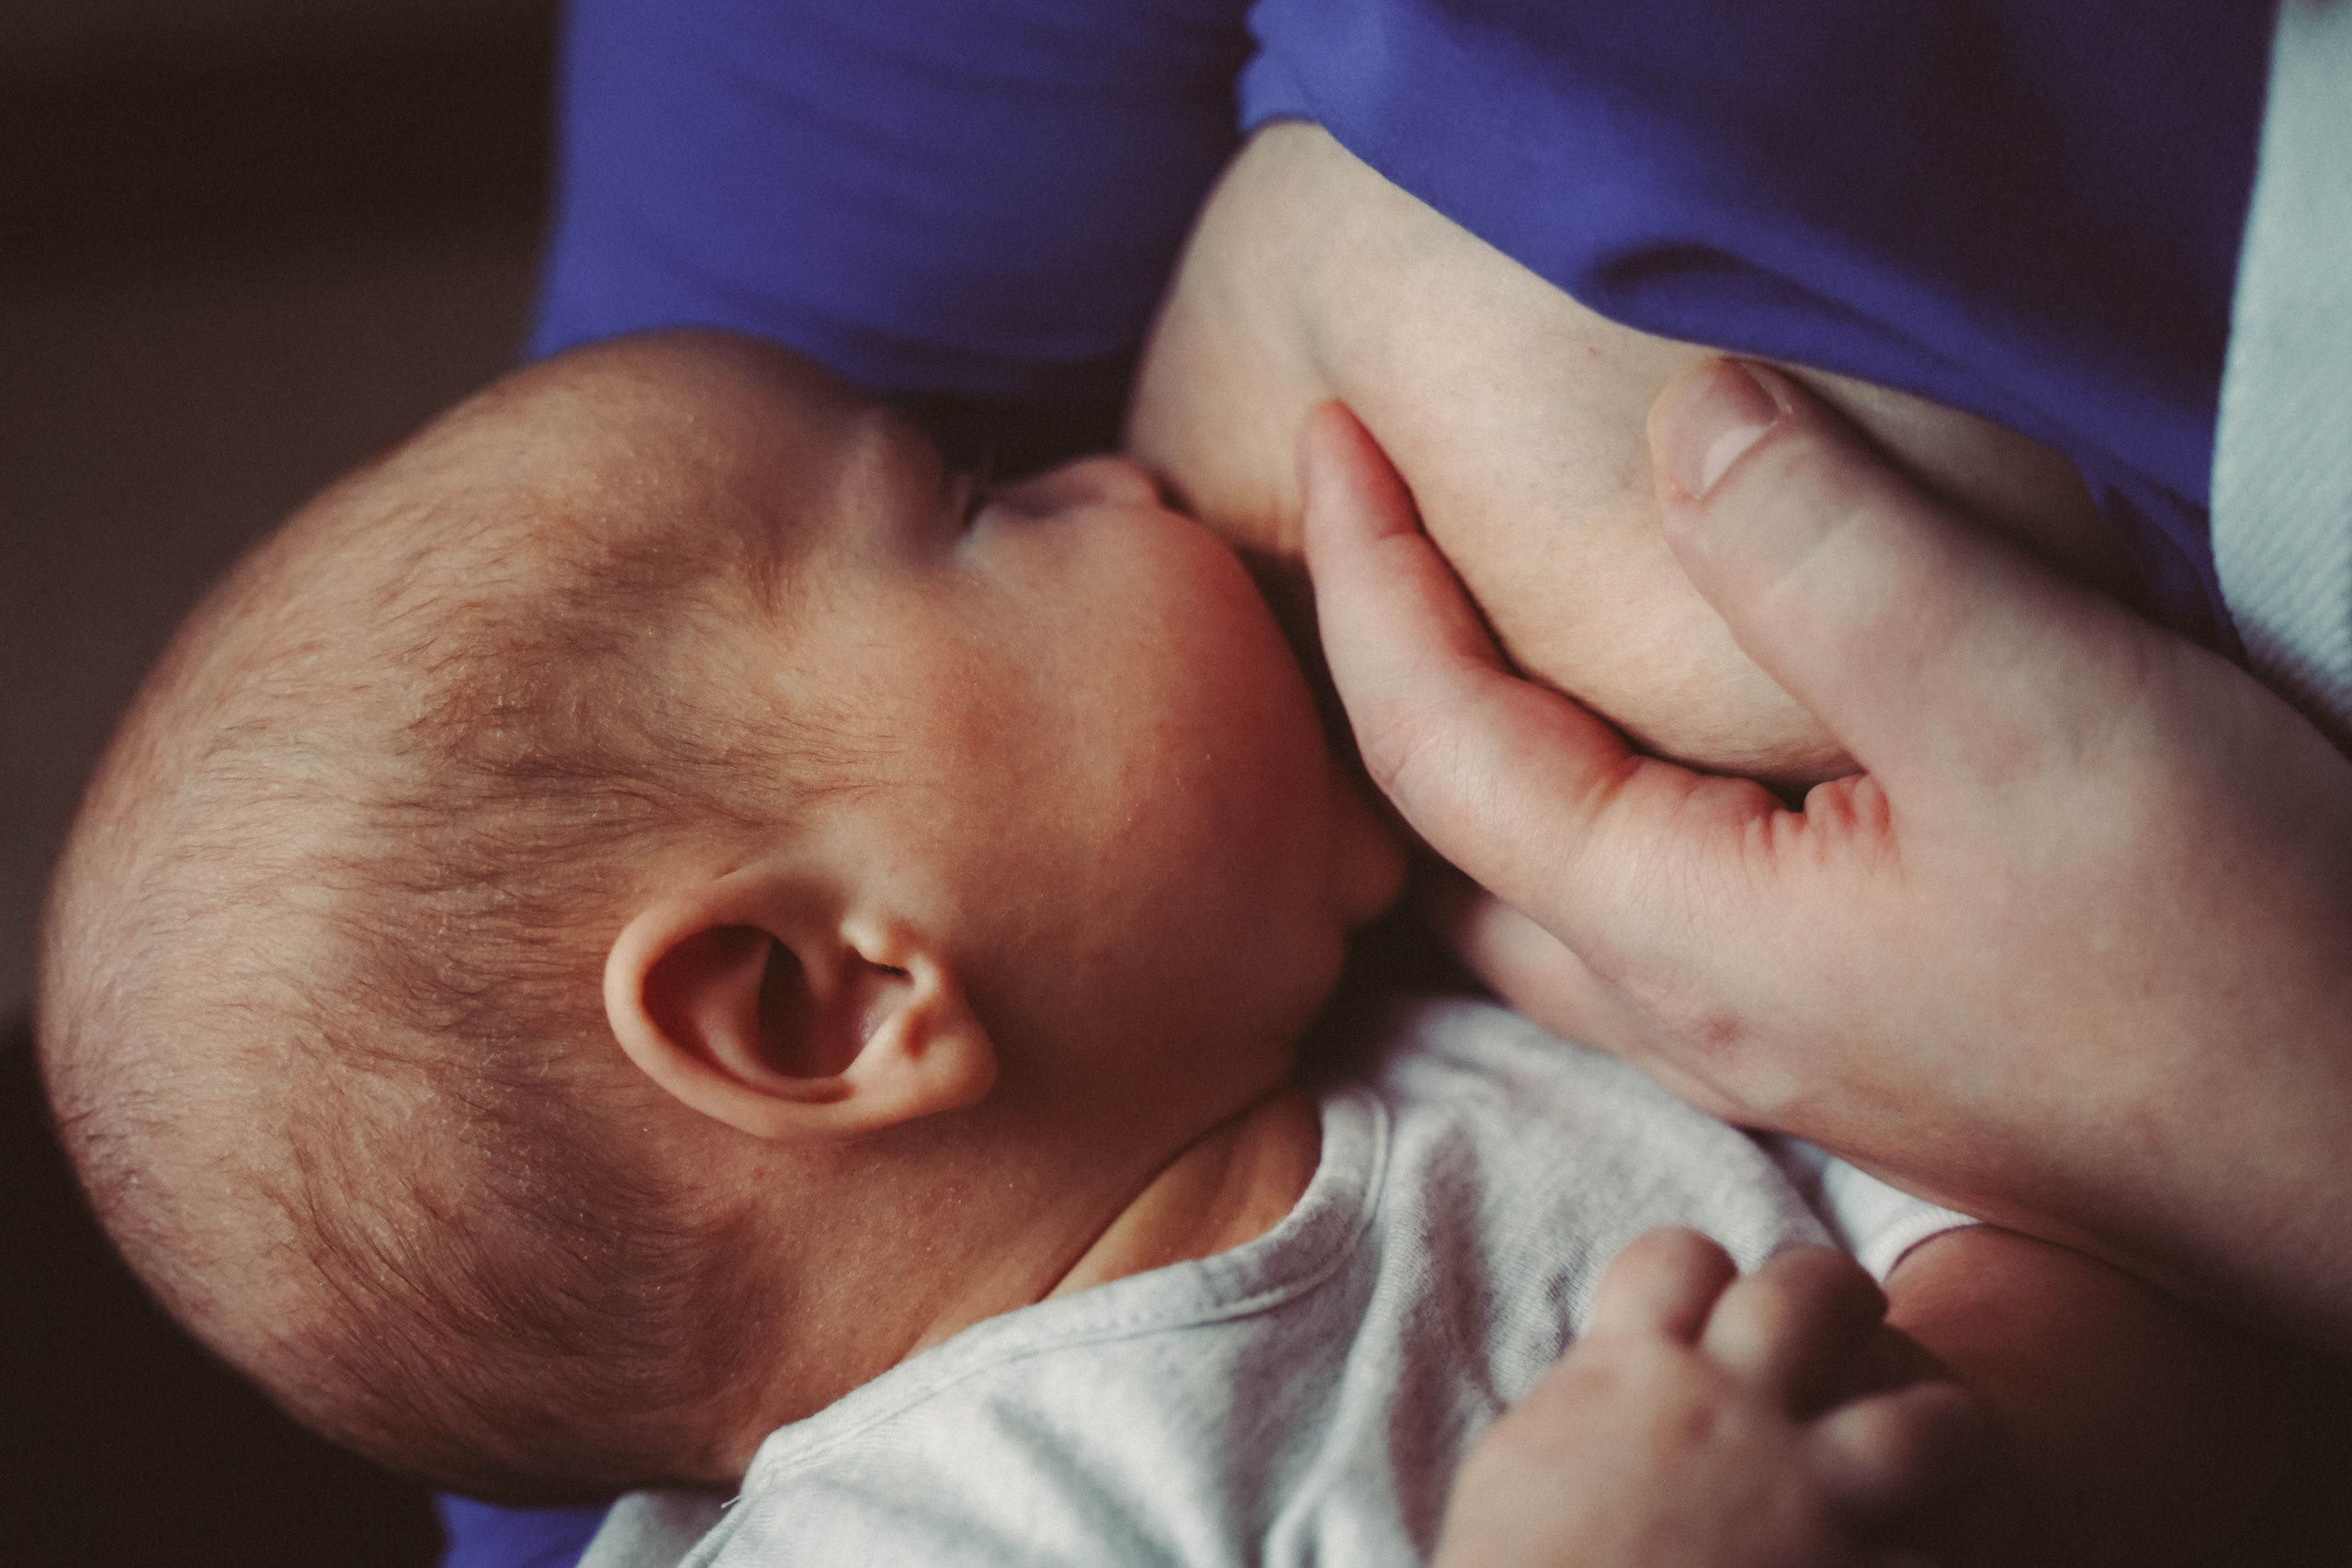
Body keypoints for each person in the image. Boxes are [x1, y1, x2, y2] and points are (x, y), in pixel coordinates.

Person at [38, 332, 2286, 1566]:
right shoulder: (928, 1527)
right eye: (979, 502)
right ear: (828, 999)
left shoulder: (1490, 1039)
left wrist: (1987, 1372)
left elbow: (2156, 1357)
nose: (1120, 476)